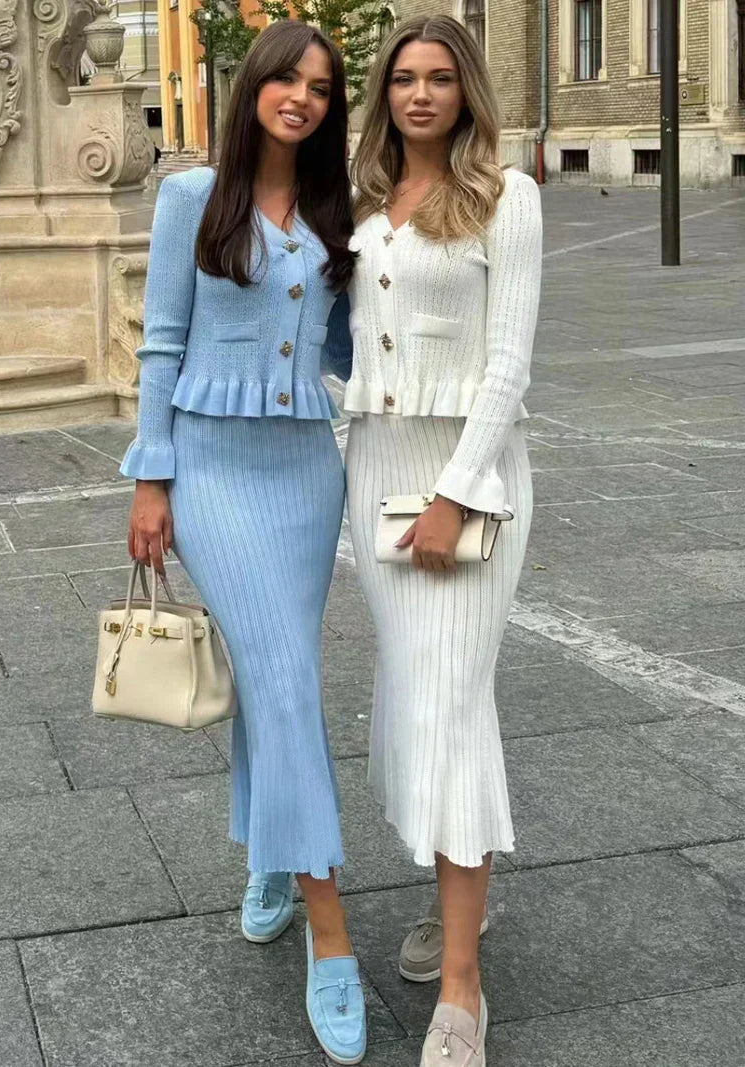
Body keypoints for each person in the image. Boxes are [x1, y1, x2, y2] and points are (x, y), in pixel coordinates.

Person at [122, 21, 366, 1065]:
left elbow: (350, 346)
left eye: (320, 86)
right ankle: (330, 932)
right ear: (253, 85)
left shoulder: (334, 209)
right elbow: (161, 342)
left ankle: (270, 852)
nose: (301, 97)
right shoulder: (192, 196)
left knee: (278, 677)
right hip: (212, 472)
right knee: (283, 678)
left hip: (306, 473)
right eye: (286, 79)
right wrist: (150, 475)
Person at [344, 16, 542, 1066]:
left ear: (467, 90)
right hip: (373, 469)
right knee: (415, 702)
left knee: (455, 708)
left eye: (439, 78)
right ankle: (459, 895)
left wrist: (455, 496)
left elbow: (508, 364)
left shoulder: (508, 198)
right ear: (383, 94)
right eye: (403, 79)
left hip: (467, 478)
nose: (419, 94)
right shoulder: (366, 200)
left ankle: (462, 988)